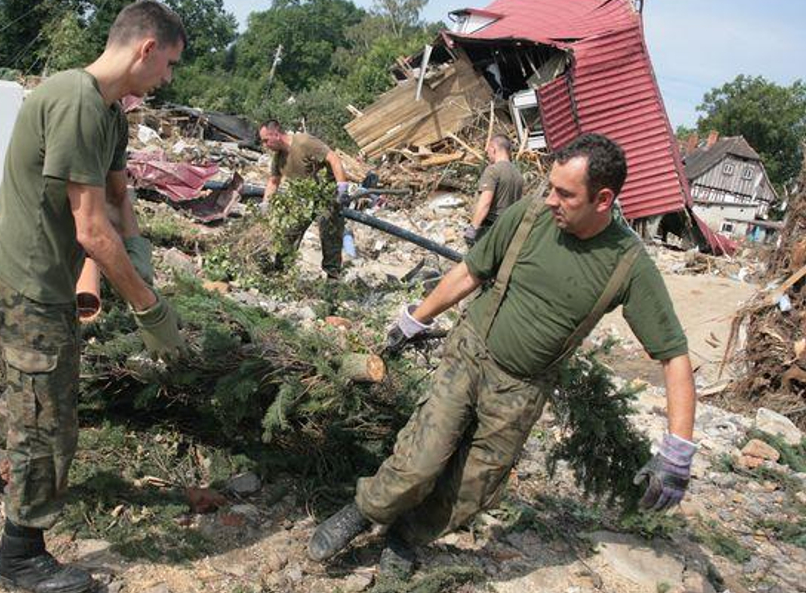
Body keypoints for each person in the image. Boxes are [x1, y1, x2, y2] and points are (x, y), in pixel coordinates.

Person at [308, 133, 698, 579]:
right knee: (421, 460)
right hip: (471, 353)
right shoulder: (530, 216)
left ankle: (405, 537)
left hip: (522, 390)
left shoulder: (628, 264)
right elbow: (471, 271)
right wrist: (415, 317)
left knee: (475, 487)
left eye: (565, 194)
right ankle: (363, 511)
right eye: (550, 186)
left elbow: (675, 357)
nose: (551, 199)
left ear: (603, 198)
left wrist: (677, 451)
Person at [0, 3, 188, 591]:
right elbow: (91, 229)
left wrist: (137, 249)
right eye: (168, 65)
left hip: (46, 284)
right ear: (146, 48)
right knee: (51, 422)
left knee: (38, 393)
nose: (168, 79)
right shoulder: (75, 102)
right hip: (27, 286)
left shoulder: (112, 114)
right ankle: (19, 556)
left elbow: (117, 197)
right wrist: (149, 307)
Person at [259, 121, 350, 278]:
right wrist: (265, 204)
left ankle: (333, 278)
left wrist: (342, 189)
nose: (265, 145)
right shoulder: (280, 157)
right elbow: (274, 181)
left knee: (329, 233)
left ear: (276, 134)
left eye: (266, 140)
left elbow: (333, 159)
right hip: (304, 198)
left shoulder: (303, 142)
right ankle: (280, 271)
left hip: (327, 195)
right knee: (289, 231)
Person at [465, 134, 523, 247]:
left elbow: (485, 203)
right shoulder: (518, 174)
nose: (488, 155)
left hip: (491, 230)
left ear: (493, 149)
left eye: (488, 151)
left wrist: (473, 228)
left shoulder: (493, 171)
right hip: (509, 230)